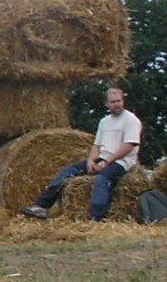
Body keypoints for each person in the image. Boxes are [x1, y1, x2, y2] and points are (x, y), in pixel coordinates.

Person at [22, 87, 142, 221]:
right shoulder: (104, 122)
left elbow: (129, 146)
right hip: (103, 159)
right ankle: (42, 206)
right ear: (106, 104)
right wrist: (91, 161)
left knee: (101, 180)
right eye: (113, 102)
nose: (117, 104)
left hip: (122, 162)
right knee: (68, 171)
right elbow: (97, 145)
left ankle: (97, 218)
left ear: (123, 101)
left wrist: (107, 162)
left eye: (119, 101)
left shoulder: (131, 120)